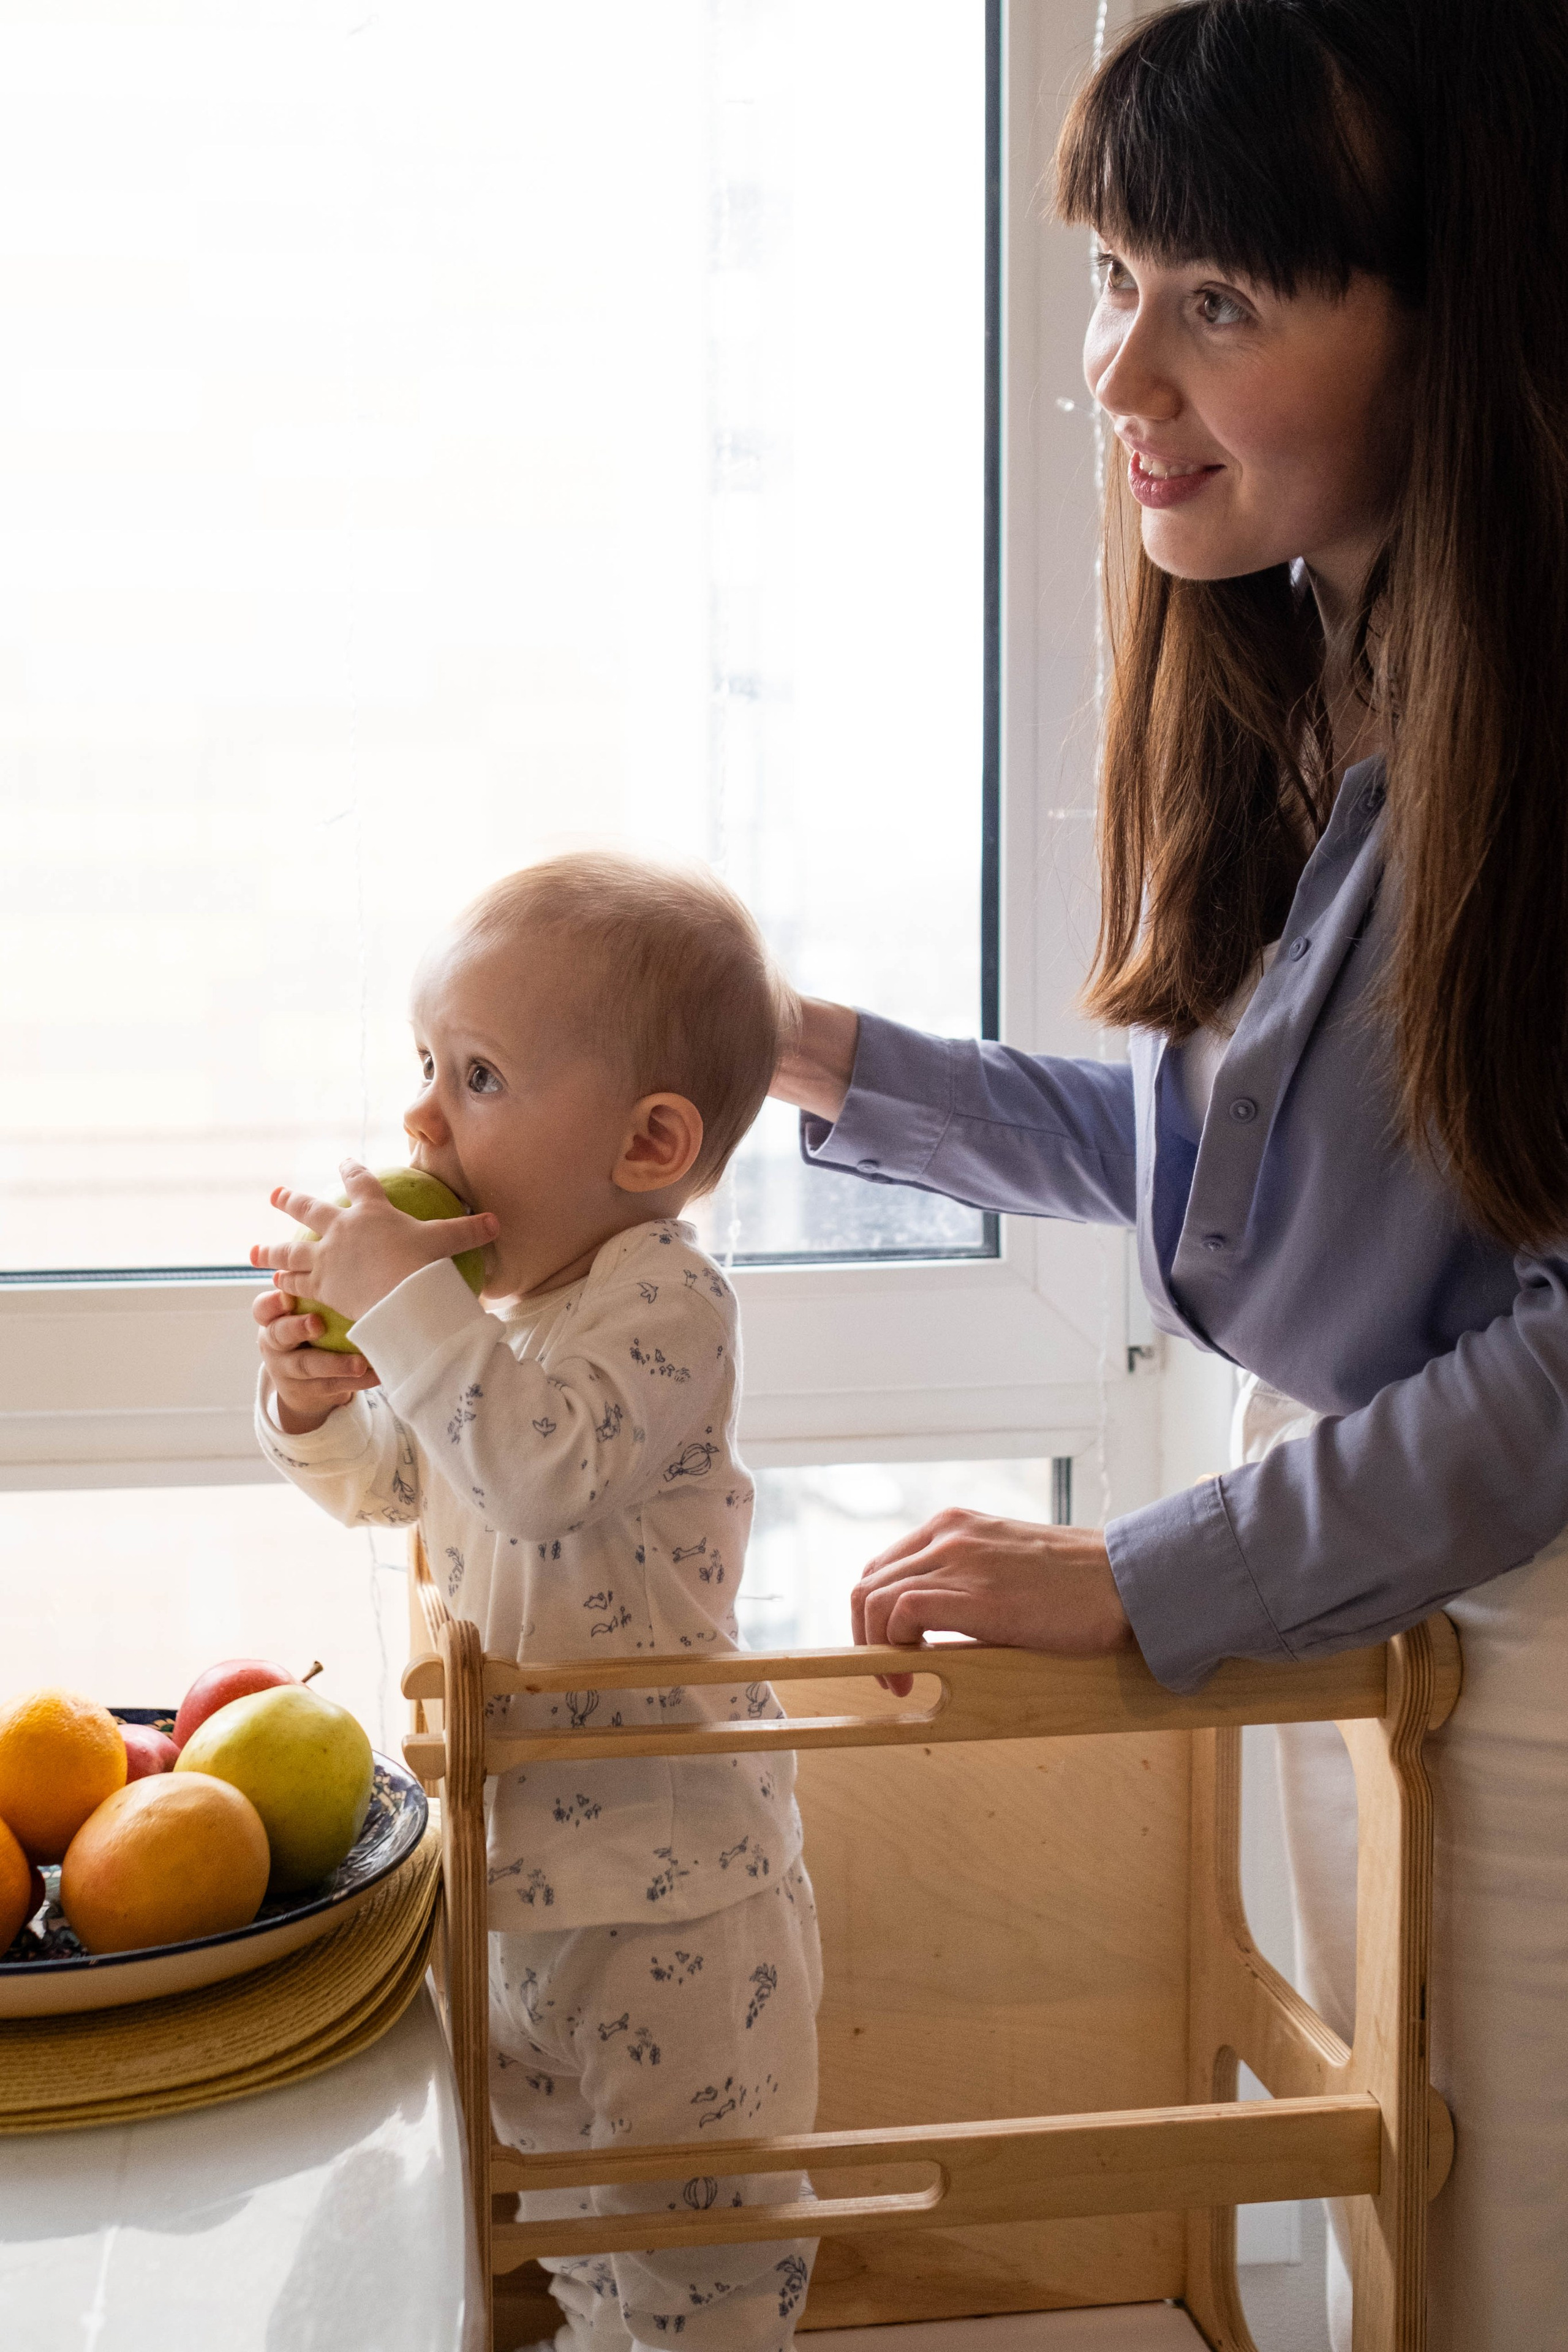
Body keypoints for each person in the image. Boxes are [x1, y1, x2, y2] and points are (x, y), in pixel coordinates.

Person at [770, 1, 1568, 2341]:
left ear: (1464, 308)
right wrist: (821, 1060)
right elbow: (1250, 1180)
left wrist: (1144, 1574)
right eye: (1122, 279)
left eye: (1216, 300)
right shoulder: (1331, 641)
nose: (1121, 376)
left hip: (1519, 1616)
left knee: (1492, 2268)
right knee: (1379, 2263)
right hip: (1374, 1559)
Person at [251, 850, 820, 2352]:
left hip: (674, 1893)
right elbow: (406, 1482)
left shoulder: (663, 1299)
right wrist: (318, 1400)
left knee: (698, 2258)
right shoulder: (493, 1332)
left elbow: (542, 1470)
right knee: (567, 2231)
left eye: (480, 1075)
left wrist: (407, 1311)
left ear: (648, 1143)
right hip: (515, 1892)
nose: (423, 1119)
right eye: (424, 1068)